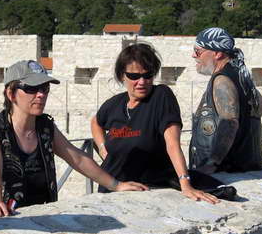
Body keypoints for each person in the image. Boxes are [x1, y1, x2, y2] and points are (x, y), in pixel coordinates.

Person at [0, 60, 147, 218]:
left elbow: (77, 158)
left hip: (40, 217)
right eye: (31, 89)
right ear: (11, 94)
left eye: (45, 88)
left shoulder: (45, 127)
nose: (41, 94)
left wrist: (117, 185)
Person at [91, 43, 218, 204]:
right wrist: (102, 148)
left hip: (144, 191)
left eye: (148, 75)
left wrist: (185, 184)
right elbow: (96, 122)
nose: (142, 82)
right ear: (122, 75)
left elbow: (172, 144)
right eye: (134, 76)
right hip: (110, 190)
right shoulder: (115, 104)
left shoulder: (161, 96)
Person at [189, 27, 262, 175]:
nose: (194, 55)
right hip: (246, 165)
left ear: (217, 53)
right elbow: (260, 104)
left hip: (227, 170)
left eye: (198, 51)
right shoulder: (239, 74)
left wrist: (212, 163)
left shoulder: (222, 80)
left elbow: (230, 123)